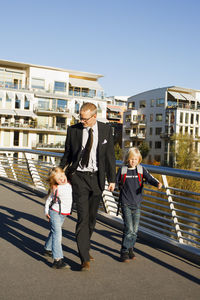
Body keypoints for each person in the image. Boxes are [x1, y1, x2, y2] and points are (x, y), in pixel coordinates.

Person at [60, 102, 116, 271]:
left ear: (94, 116)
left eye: (84, 119)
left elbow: (110, 156)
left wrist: (112, 179)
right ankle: (84, 257)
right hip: (79, 177)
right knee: (83, 218)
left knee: (92, 218)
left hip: (97, 178)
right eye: (80, 118)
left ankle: (86, 245)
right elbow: (67, 154)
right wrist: (59, 172)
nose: (81, 121)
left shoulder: (106, 130)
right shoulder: (73, 130)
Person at [116, 147, 162, 262]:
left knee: (135, 230)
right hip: (125, 202)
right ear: (127, 159)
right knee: (129, 228)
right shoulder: (123, 170)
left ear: (139, 160)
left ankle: (131, 248)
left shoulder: (141, 170)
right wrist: (112, 185)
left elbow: (150, 178)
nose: (133, 161)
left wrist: (157, 183)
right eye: (131, 159)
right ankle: (124, 252)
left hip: (137, 203)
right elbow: (115, 181)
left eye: (136, 159)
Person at [44, 167, 73, 269]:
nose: (62, 178)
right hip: (55, 213)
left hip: (63, 214)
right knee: (57, 234)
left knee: (54, 232)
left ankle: (47, 248)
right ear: (54, 181)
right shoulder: (56, 189)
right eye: (58, 178)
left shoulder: (69, 184)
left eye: (62, 175)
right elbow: (48, 200)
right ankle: (57, 260)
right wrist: (46, 211)